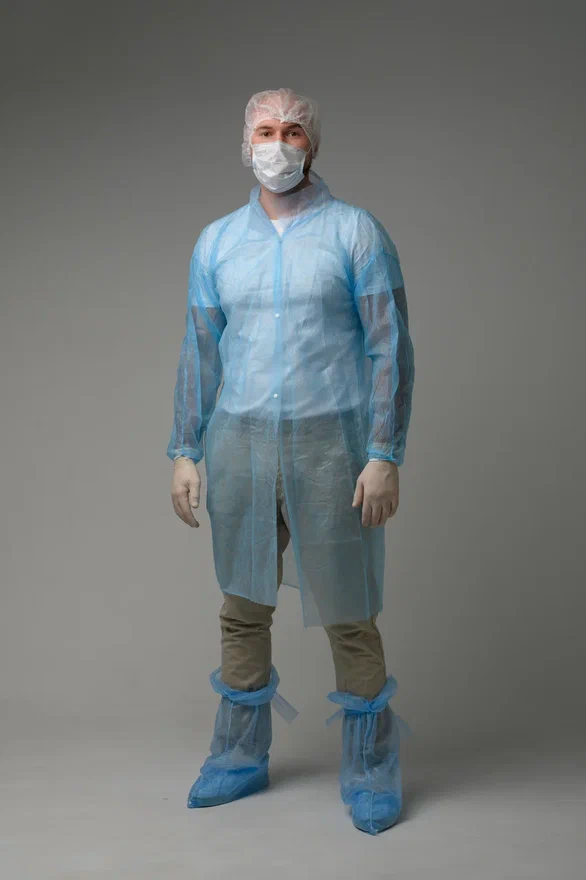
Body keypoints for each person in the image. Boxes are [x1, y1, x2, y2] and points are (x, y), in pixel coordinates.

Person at [167, 88, 415, 835]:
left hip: (330, 446)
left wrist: (384, 452)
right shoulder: (217, 243)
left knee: (349, 610)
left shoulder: (355, 234)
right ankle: (238, 756)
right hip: (238, 443)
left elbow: (390, 348)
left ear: (314, 144)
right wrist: (185, 449)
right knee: (243, 606)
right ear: (246, 144)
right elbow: (200, 353)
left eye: (294, 131)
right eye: (266, 131)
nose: (278, 144)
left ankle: (371, 768)